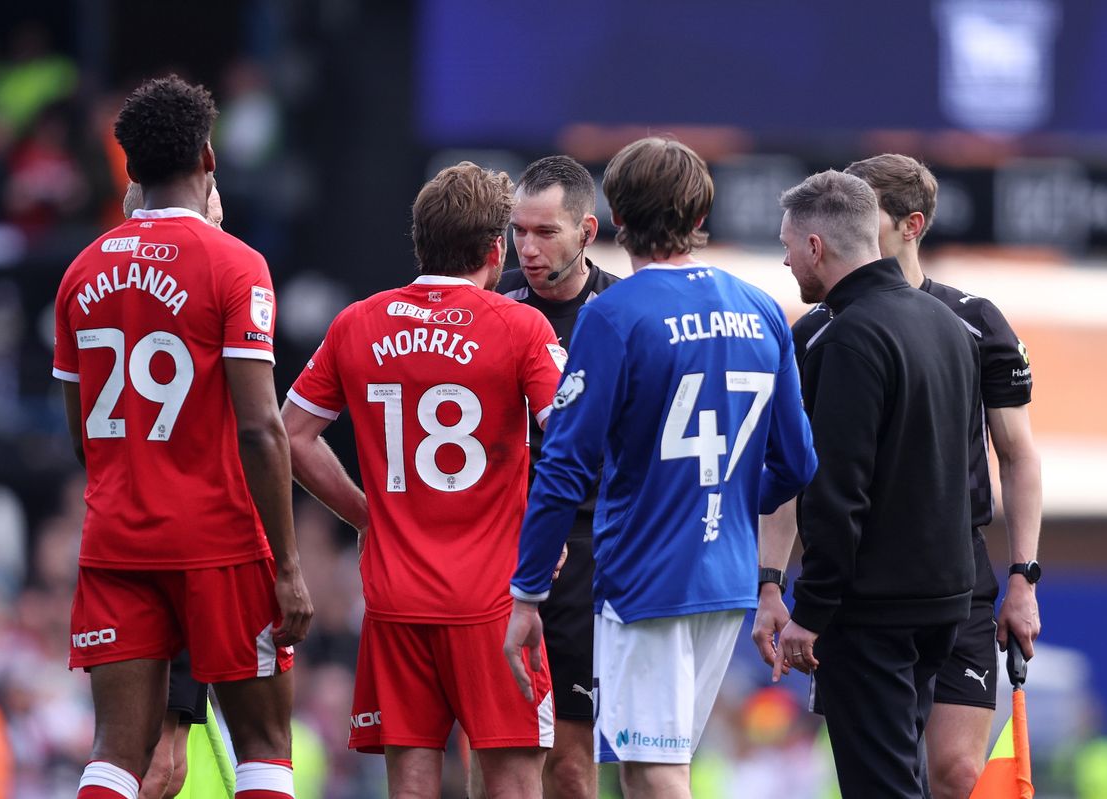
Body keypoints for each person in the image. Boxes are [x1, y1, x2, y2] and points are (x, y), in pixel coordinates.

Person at [504, 137, 817, 799]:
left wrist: (528, 589)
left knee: (654, 773)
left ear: (614, 215)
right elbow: (798, 460)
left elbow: (562, 465)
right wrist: (726, 499)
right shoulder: (761, 308)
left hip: (647, 576)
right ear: (700, 217)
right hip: (725, 576)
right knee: (652, 770)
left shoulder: (613, 314)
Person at [753, 154, 1043, 798]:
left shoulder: (952, 323)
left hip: (914, 587)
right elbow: (798, 476)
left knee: (931, 777)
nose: (785, 262)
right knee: (895, 771)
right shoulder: (829, 332)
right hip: (902, 586)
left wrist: (1023, 575)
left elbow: (838, 488)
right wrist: (772, 580)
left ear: (907, 225)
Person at [53, 75, 311, 799]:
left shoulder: (79, 273)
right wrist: (288, 564)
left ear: (128, 171)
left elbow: (81, 437)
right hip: (219, 540)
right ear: (209, 157)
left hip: (117, 538)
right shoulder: (236, 265)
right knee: (264, 746)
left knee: (114, 755)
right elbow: (262, 428)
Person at [282, 162, 565, 798]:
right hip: (495, 601)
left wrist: (365, 515)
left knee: (410, 787)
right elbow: (573, 442)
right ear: (496, 250)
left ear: (421, 242)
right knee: (515, 785)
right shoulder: (520, 327)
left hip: (394, 599)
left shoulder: (357, 323)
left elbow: (290, 434)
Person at [487, 154, 620, 799]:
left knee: (568, 765)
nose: (528, 249)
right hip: (493, 553)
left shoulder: (621, 312)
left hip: (587, 557)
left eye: (546, 233)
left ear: (587, 232)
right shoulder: (492, 303)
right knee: (496, 764)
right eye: (519, 232)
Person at [120, 181, 230, 799]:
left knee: (128, 753)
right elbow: (260, 432)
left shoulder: (104, 289)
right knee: (161, 763)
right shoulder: (216, 288)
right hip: (189, 546)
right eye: (213, 207)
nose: (217, 219)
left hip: (121, 535)